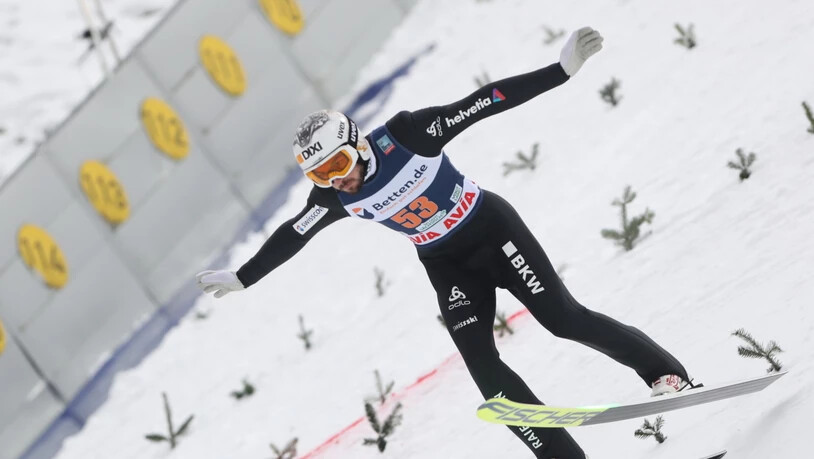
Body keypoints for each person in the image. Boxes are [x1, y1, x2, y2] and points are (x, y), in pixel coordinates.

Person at [196, 27, 694, 458]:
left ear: (358, 144)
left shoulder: (408, 135)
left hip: (493, 232)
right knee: (484, 369)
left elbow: (483, 103)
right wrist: (245, 277)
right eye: (320, 174)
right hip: (448, 265)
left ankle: (663, 373)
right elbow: (292, 235)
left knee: (563, 319)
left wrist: (559, 71)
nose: (336, 181)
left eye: (338, 165)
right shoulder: (330, 199)